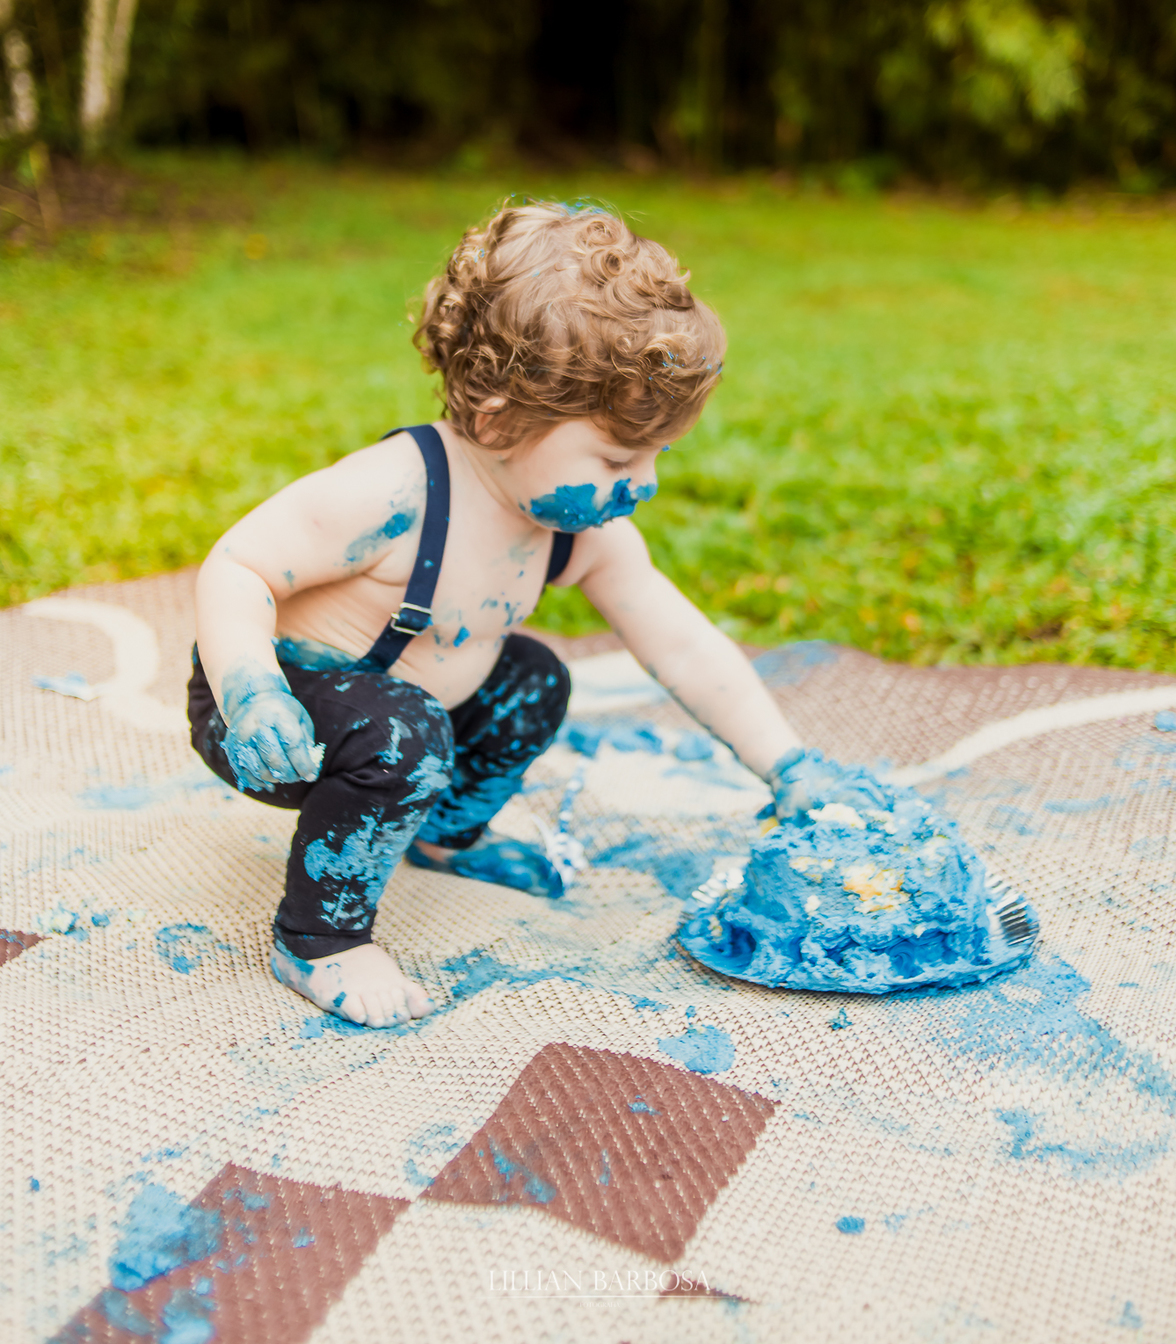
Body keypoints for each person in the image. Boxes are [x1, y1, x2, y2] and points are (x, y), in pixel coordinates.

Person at [189, 200, 813, 1029]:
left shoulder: (576, 527)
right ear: (497, 418)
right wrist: (250, 694)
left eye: (661, 454)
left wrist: (790, 767)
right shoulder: (396, 492)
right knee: (404, 731)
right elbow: (237, 566)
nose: (647, 482)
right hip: (277, 719)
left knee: (534, 680)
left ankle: (445, 830)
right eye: (619, 457)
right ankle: (320, 939)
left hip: (408, 718)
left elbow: (683, 644)